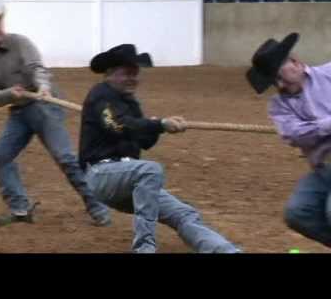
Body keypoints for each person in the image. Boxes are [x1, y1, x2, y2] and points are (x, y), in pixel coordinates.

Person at [79, 44, 242, 253]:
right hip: (101, 175)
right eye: (127, 73)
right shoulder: (100, 95)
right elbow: (118, 125)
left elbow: (144, 142)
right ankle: (144, 249)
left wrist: (157, 128)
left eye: (135, 73)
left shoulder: (129, 102)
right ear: (110, 73)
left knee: (183, 213)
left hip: (127, 178)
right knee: (150, 170)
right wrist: (159, 124)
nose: (132, 78)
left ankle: (226, 251)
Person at [0, 6, 110, 225]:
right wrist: (8, 94)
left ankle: (97, 207)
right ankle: (20, 209)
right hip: (19, 111)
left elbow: (37, 68)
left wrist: (43, 86)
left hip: (43, 106)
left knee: (65, 158)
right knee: (0, 156)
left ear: (0, 24)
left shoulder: (20, 42)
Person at [246, 32, 331, 247]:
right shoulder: (279, 106)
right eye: (274, 81)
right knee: (297, 213)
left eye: (279, 76)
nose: (280, 84)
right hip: (324, 168)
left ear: (296, 63)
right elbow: (295, 134)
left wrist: (317, 128)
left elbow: (303, 132)